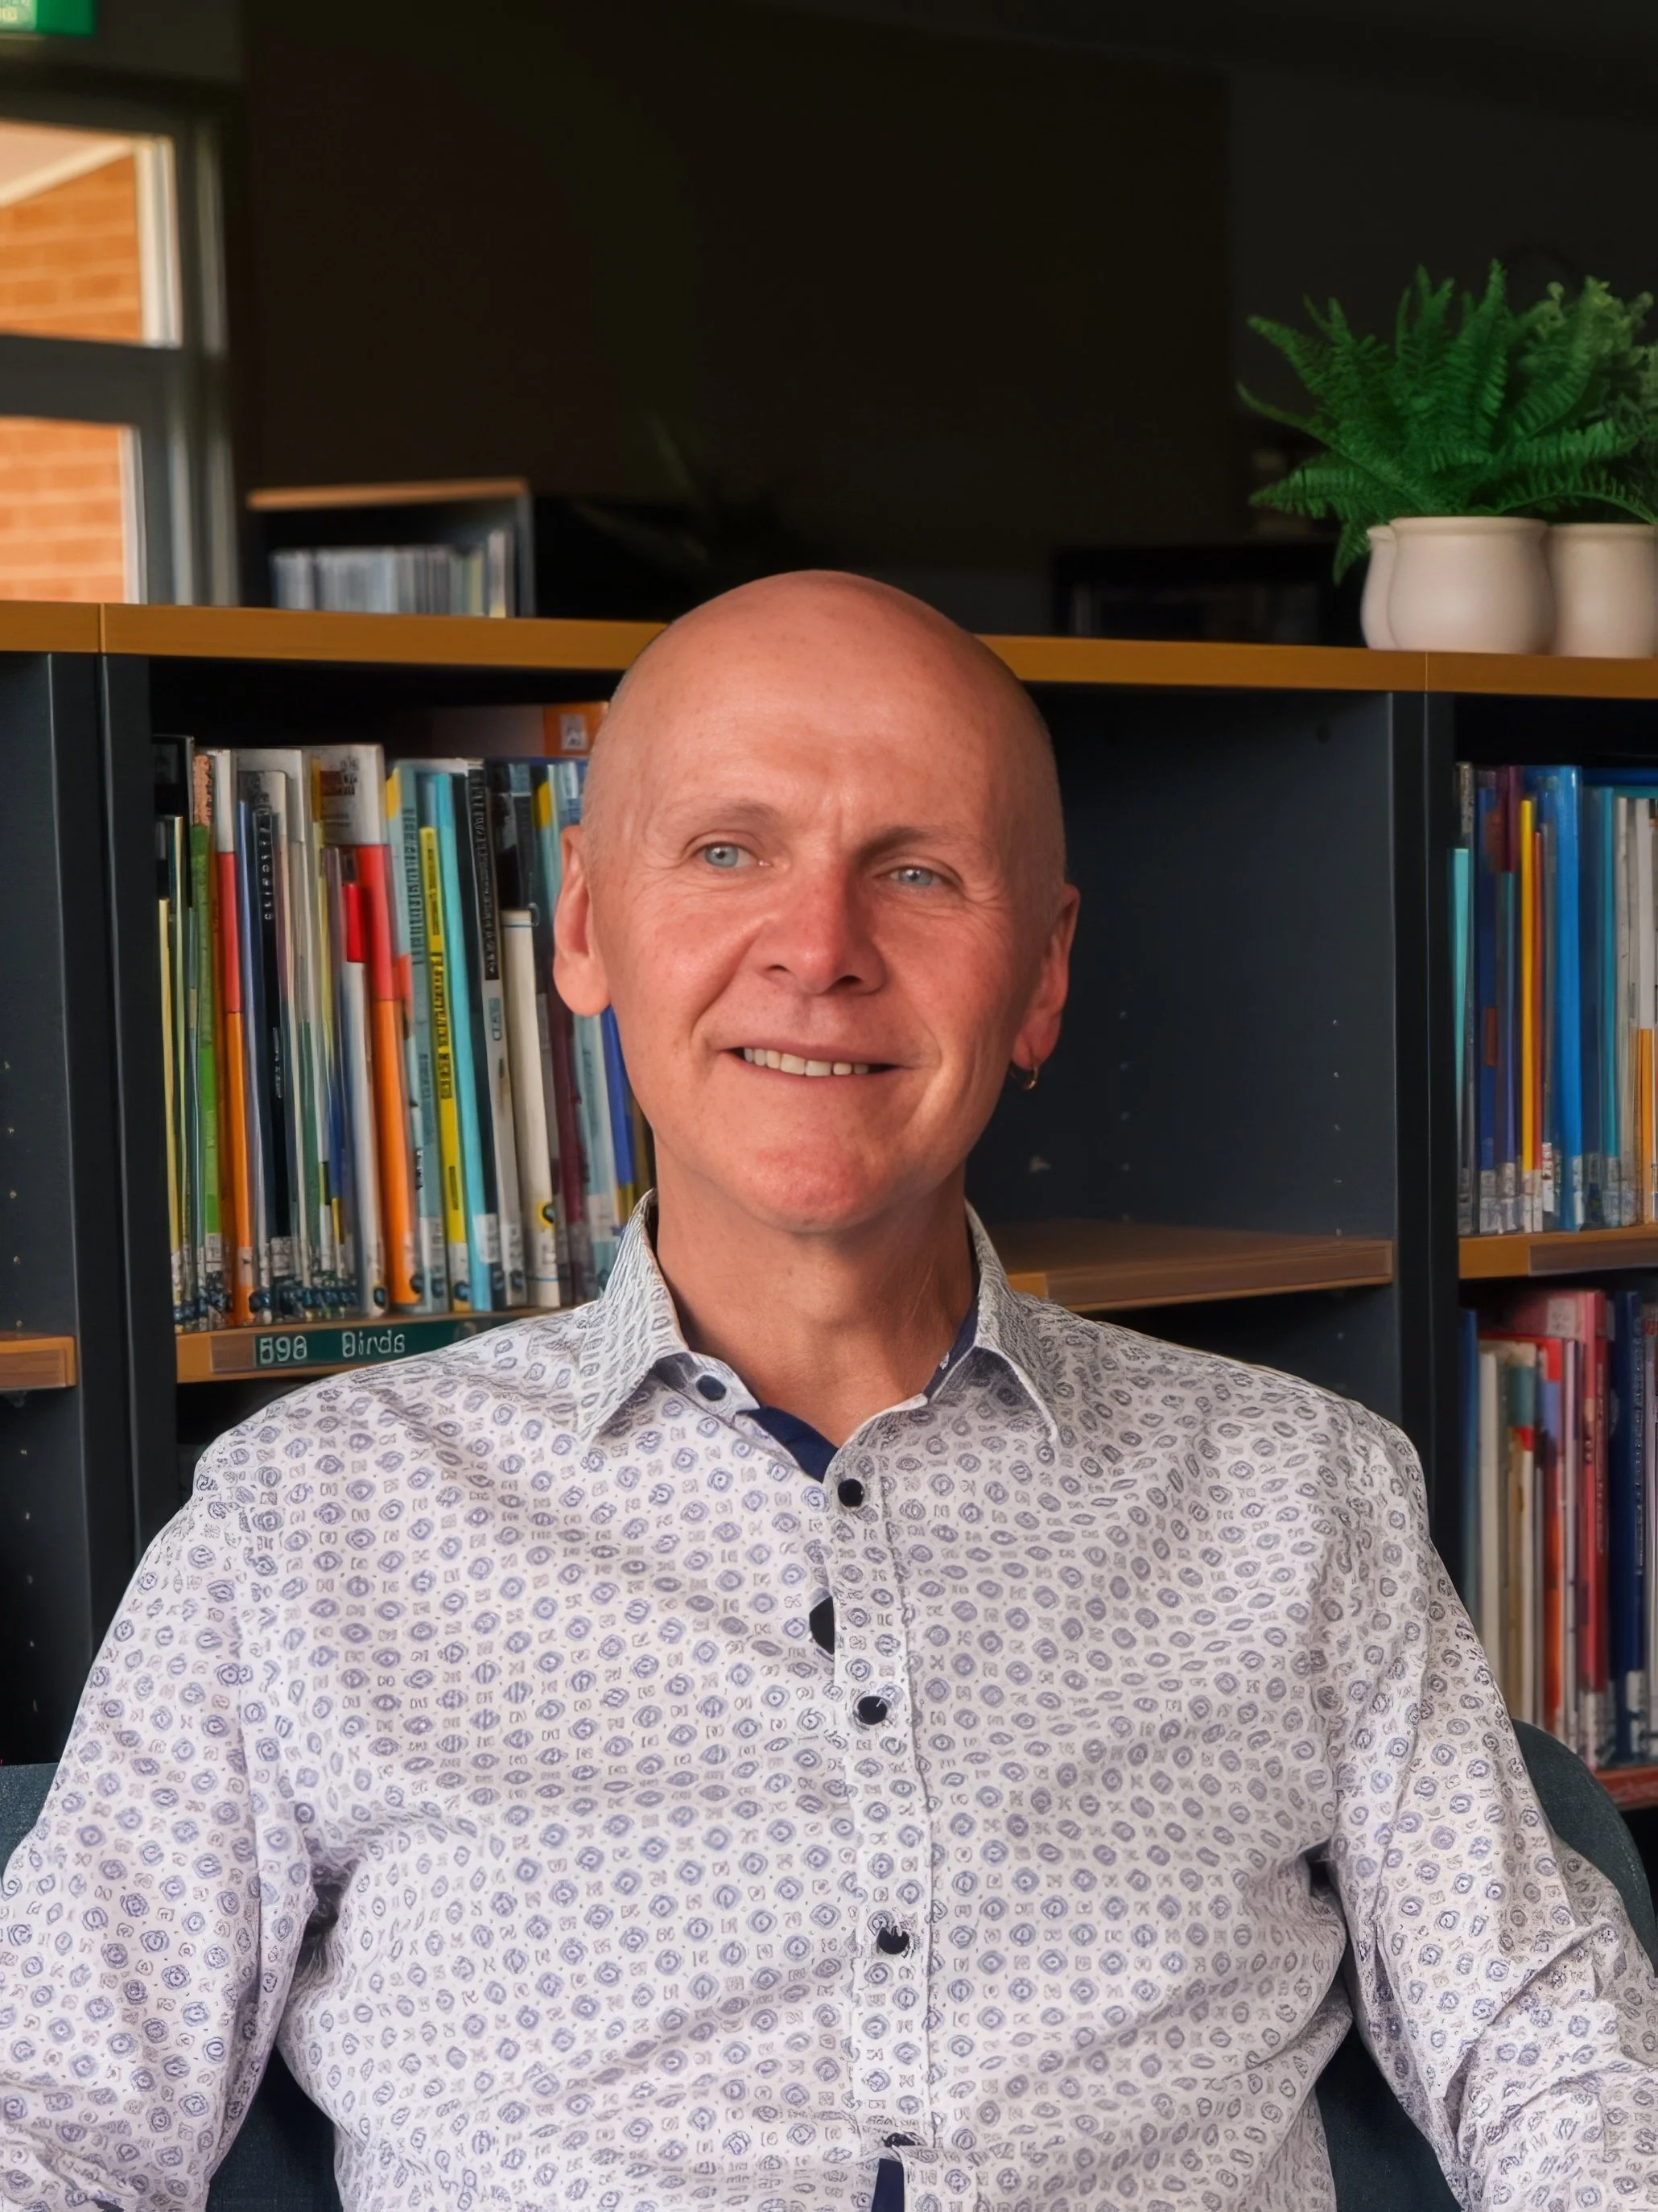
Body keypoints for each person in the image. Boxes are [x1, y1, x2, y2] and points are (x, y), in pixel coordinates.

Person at [0, 572, 1653, 2212]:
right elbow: (51, 2126)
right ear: (582, 926)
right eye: (729, 852)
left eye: (919, 873)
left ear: (1043, 974)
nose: (819, 949)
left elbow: (1554, 2051)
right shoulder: (302, 1528)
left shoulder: (1302, 1498)